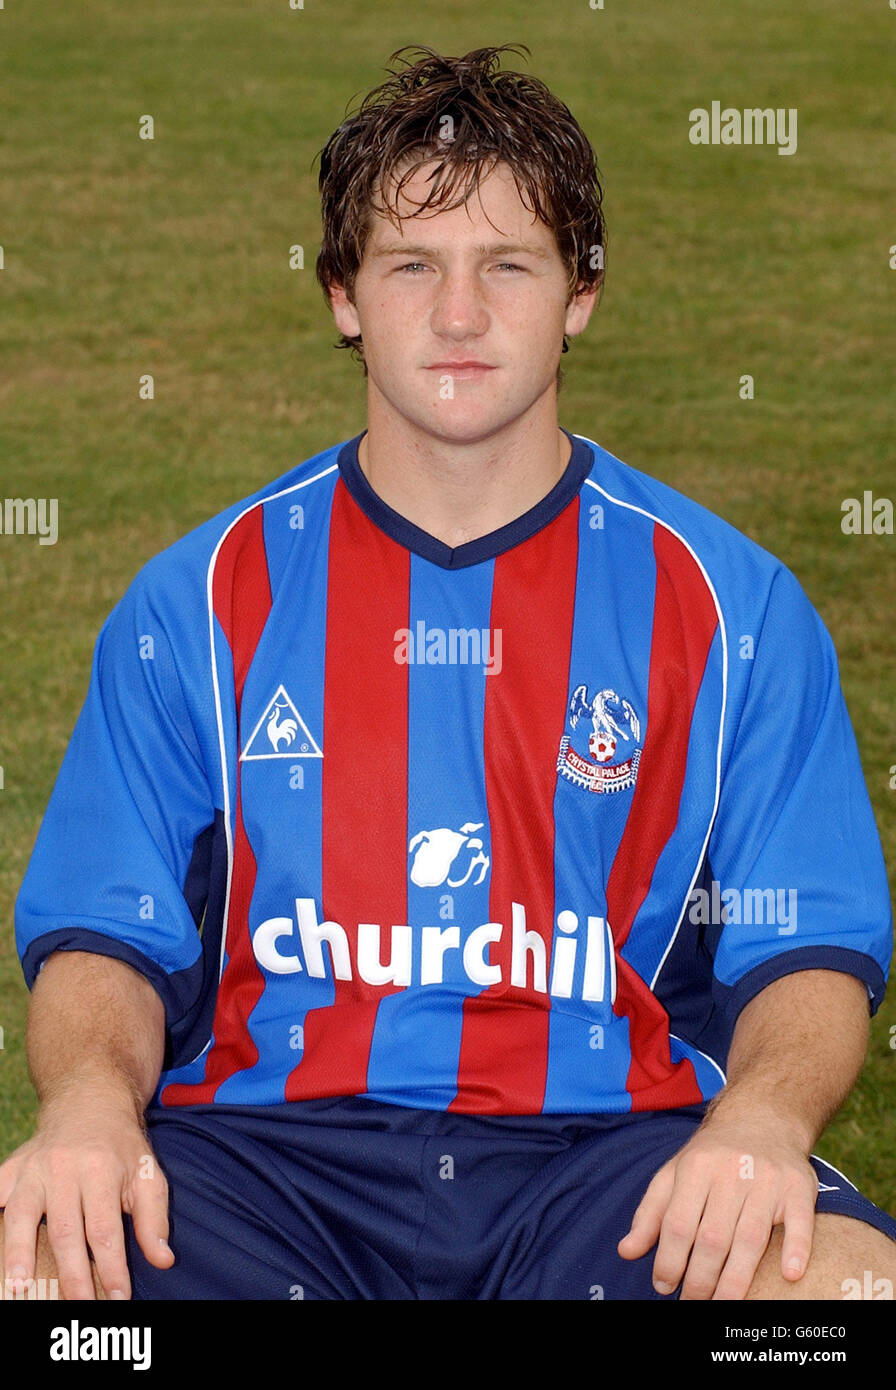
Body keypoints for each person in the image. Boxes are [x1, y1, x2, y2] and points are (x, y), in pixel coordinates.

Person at [3, 44, 895, 1302]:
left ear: (579, 294)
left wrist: (758, 1121)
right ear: (342, 296)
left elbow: (804, 953)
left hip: (616, 1164)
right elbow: (107, 934)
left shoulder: (729, 607)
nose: (460, 314)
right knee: (35, 1275)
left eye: (508, 265)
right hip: (264, 1166)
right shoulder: (204, 598)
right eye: (412, 265)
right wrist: (91, 1104)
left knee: (843, 1297)